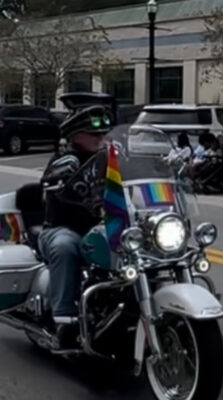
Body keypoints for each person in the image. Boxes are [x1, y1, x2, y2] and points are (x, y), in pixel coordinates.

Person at [37, 104, 114, 346]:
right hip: (62, 228)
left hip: (103, 227)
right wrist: (57, 178)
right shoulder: (64, 160)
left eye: (103, 134)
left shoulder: (111, 160)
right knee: (66, 246)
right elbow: (48, 181)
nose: (101, 139)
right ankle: (64, 320)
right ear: (75, 136)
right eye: (95, 135)